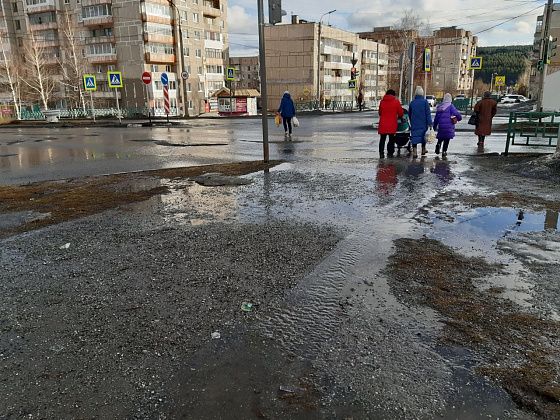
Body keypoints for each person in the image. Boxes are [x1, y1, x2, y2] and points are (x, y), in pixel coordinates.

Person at [433, 93, 463, 157]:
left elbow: (436, 118)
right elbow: (457, 114)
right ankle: (444, 151)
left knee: (440, 137)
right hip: (449, 126)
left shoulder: (440, 107)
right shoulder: (451, 106)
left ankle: (438, 144)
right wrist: (459, 118)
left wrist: (434, 127)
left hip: (441, 126)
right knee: (447, 139)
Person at [378, 89, 404, 158]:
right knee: (391, 139)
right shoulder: (396, 102)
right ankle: (390, 152)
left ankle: (381, 153)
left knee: (382, 139)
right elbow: (401, 113)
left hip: (383, 124)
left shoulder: (382, 102)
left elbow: (380, 113)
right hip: (392, 124)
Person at [408, 86, 433, 158]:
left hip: (415, 123)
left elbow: (410, 113)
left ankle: (415, 151)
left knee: (414, 137)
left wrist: (411, 120)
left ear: (415, 93)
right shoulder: (425, 102)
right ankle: (423, 149)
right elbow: (428, 113)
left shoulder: (412, 103)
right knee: (423, 136)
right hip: (423, 123)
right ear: (422, 93)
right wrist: (430, 123)